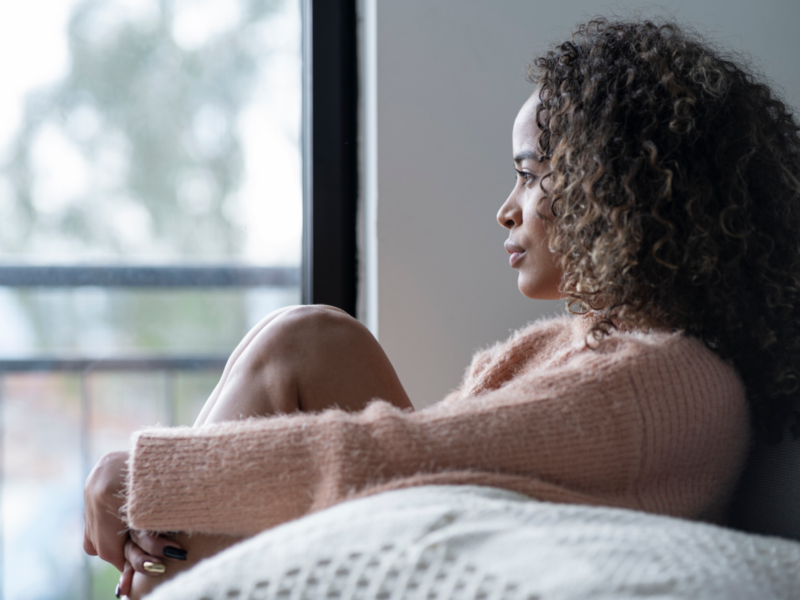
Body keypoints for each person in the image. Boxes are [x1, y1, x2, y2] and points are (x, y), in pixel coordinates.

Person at [83, 18, 800, 599]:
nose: (505, 210)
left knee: (307, 342)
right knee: (305, 341)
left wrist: (152, 477)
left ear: (617, 188)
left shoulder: (667, 381)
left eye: (528, 176)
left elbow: (405, 455)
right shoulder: (576, 349)